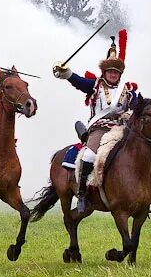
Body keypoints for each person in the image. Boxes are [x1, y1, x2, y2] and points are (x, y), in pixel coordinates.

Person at [53, 29, 138, 213]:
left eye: (116, 71)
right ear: (105, 72)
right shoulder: (95, 86)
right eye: (110, 71)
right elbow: (77, 81)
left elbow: (138, 108)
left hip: (122, 128)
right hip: (100, 128)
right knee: (89, 156)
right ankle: (82, 195)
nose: (113, 74)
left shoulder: (129, 90)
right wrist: (65, 71)